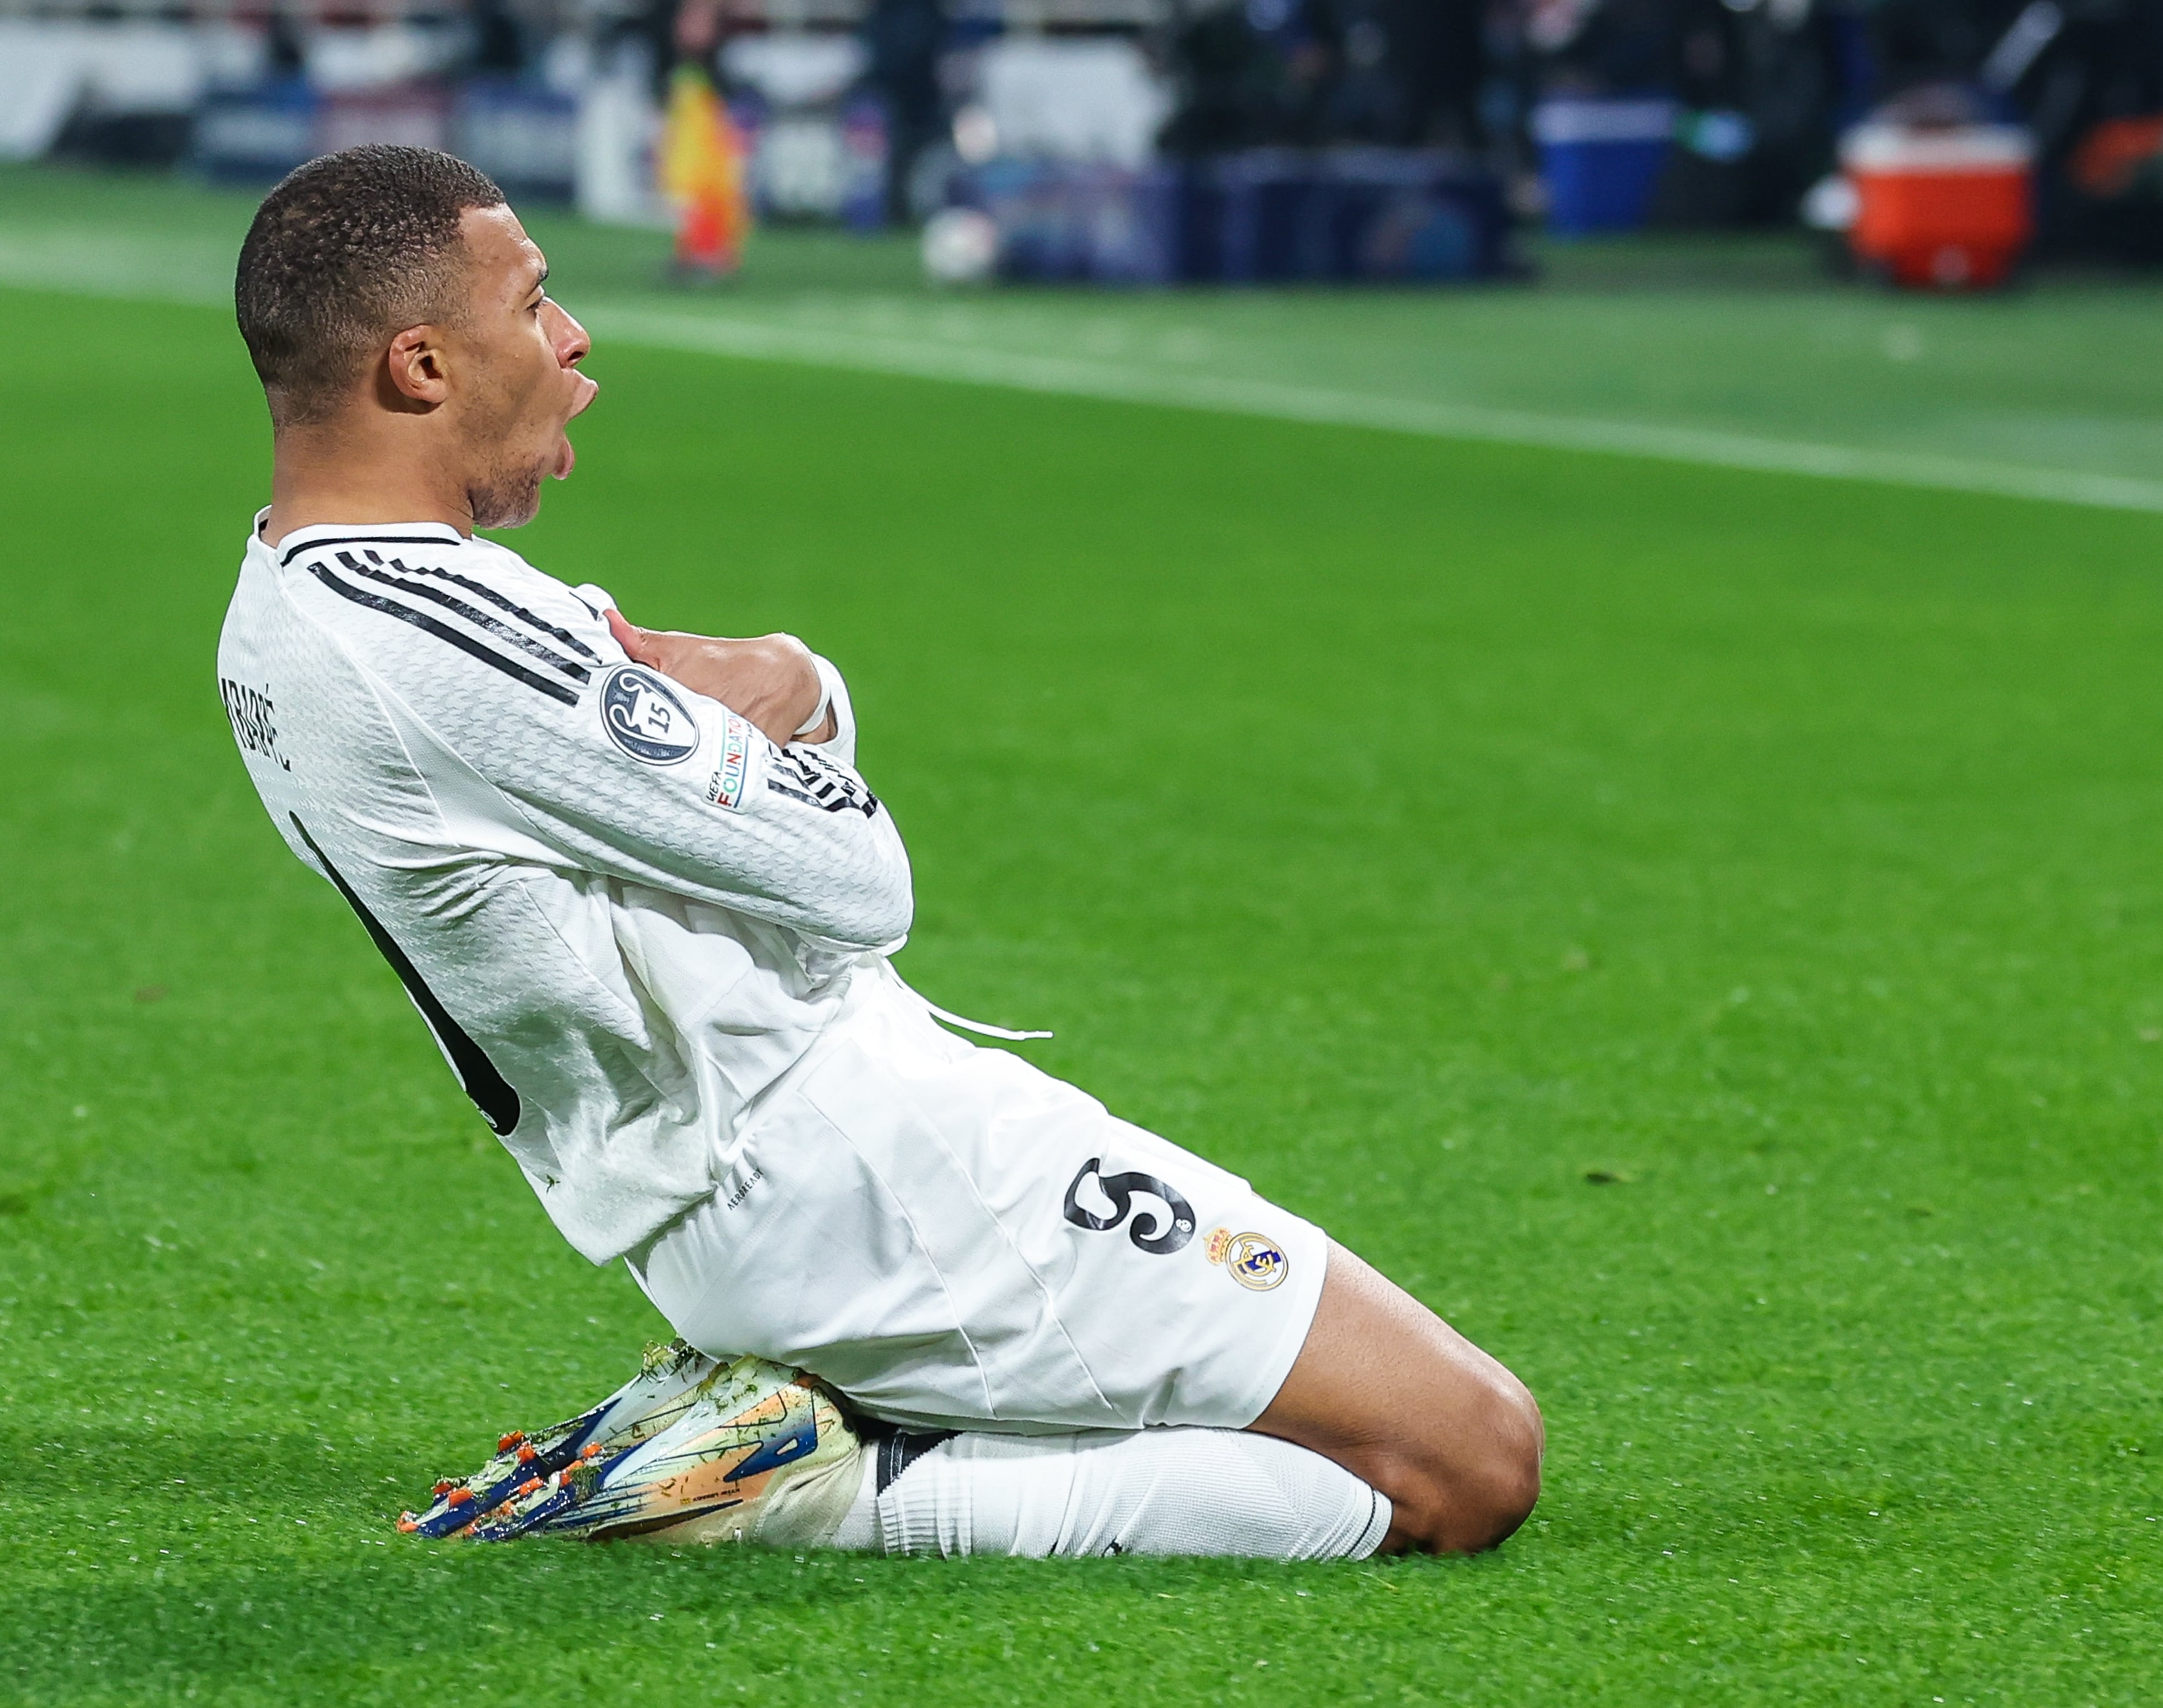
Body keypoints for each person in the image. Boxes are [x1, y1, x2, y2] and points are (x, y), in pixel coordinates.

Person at [218, 144, 1541, 1560]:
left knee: (1339, 1426)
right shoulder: (430, 642)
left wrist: (795, 700)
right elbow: (856, 883)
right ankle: (818, 1488)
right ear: (419, 366)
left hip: (734, 1187)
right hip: (860, 1172)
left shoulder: (293, 596)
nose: (573, 335)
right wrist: (805, 686)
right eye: (533, 301)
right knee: (1462, 1458)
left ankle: (796, 1427)